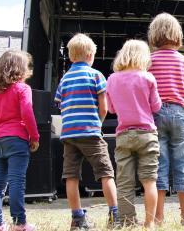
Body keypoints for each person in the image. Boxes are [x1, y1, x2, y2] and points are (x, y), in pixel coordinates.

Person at [54, 33, 118, 230]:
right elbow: (104, 108)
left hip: (69, 134)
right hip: (90, 132)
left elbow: (60, 106)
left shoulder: (64, 79)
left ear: (72, 56)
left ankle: (77, 218)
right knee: (106, 173)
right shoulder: (96, 75)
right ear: (91, 55)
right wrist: (97, 123)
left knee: (71, 176)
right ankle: (115, 215)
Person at [147, 13, 184, 226]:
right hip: (181, 114)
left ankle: (158, 218)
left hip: (156, 115)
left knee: (160, 165)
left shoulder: (148, 61)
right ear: (177, 35)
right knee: (183, 163)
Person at [106, 40, 162, 228]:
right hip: (147, 134)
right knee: (149, 181)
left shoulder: (112, 79)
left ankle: (128, 222)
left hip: (123, 135)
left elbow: (111, 109)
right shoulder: (148, 78)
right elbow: (156, 106)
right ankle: (149, 223)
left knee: (124, 183)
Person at [0, 50, 40, 231]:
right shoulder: (23, 89)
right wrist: (34, 136)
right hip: (17, 139)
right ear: (21, 69)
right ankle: (19, 223)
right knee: (17, 181)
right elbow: (27, 112)